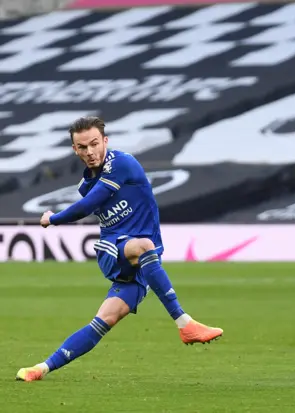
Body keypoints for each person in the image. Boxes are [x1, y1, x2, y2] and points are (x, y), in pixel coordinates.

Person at [16, 116, 224, 382]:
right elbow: (89, 205)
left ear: (105, 141)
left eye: (94, 144)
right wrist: (53, 219)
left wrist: (53, 217)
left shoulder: (121, 163)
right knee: (144, 245)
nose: (89, 152)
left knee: (103, 322)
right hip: (114, 250)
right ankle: (185, 323)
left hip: (140, 264)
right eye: (82, 147)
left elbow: (93, 202)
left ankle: (41, 368)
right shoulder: (87, 184)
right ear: (74, 150)